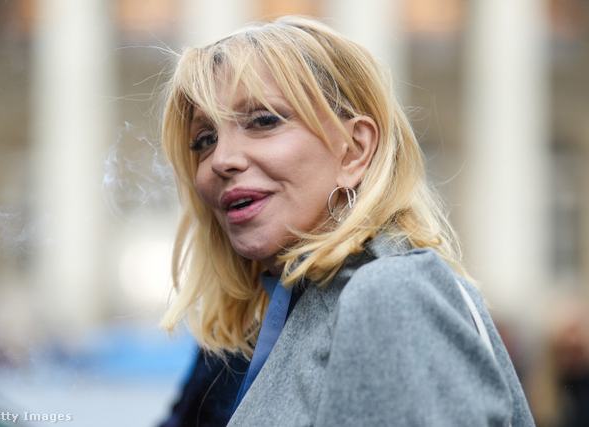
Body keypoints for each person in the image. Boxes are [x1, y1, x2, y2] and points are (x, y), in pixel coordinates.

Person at [157, 15, 535, 427]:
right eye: (205, 139)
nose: (221, 160)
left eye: (264, 120)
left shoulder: (389, 293)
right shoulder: (281, 314)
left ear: (354, 150)